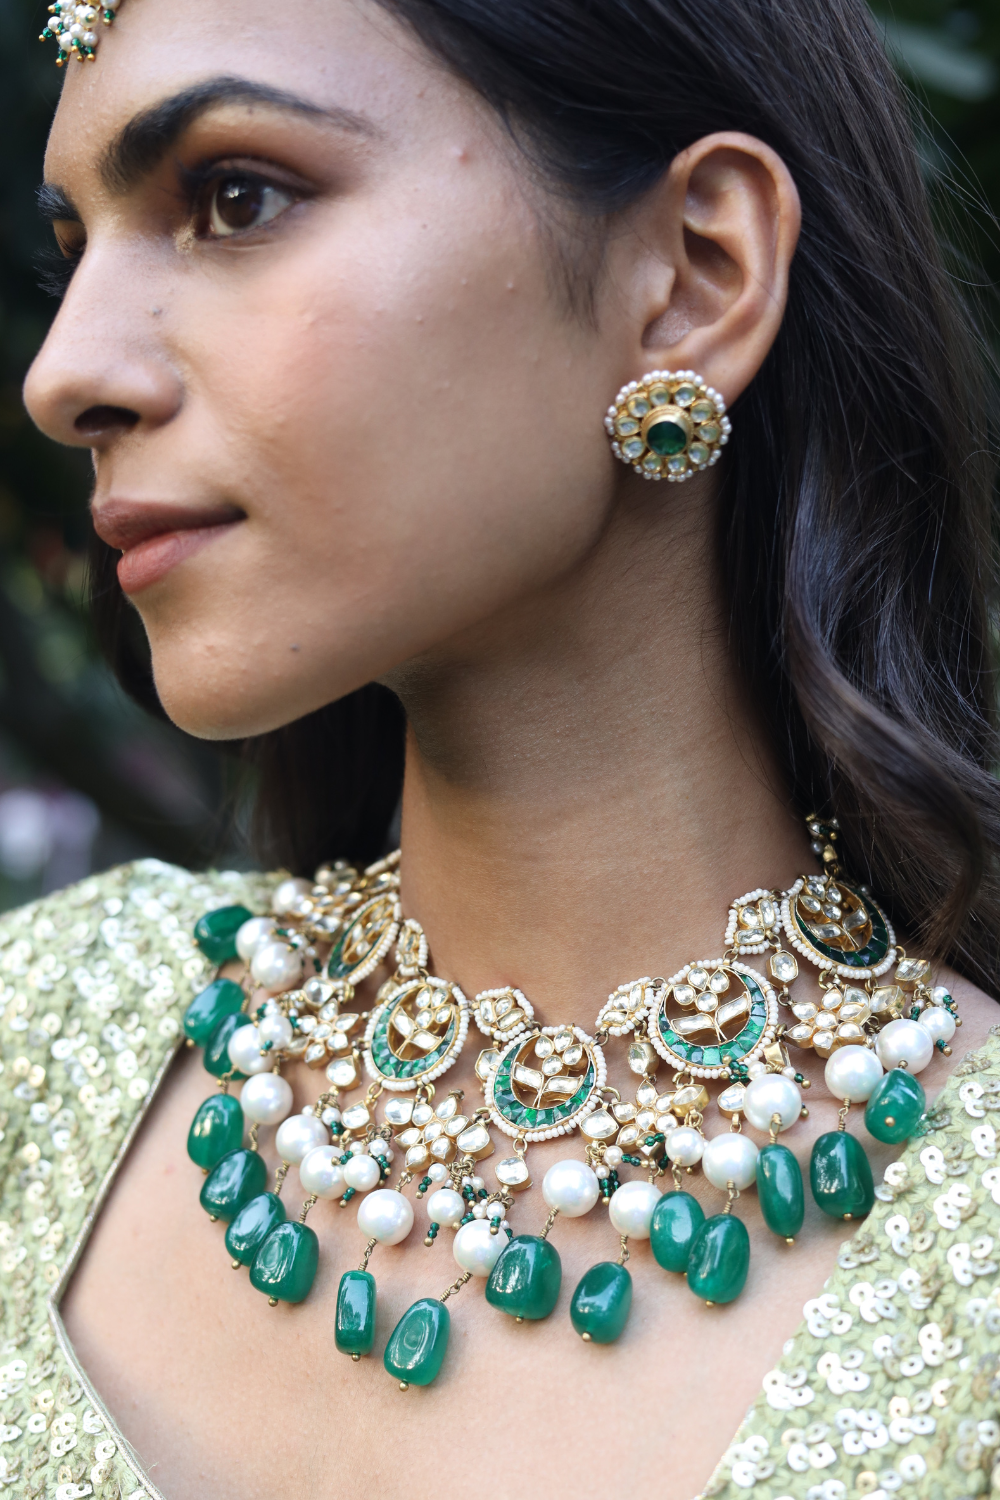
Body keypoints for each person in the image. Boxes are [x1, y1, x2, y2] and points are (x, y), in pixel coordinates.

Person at [13, 0, 1000, 1496]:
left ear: (690, 278)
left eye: (234, 199)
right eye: (70, 251)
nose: (65, 373)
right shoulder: (37, 1048)